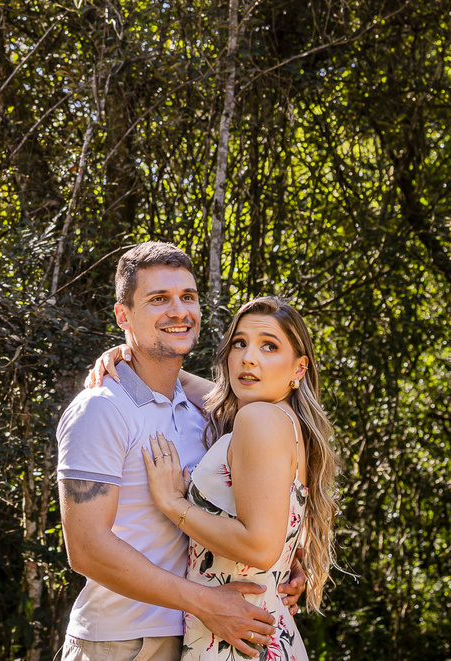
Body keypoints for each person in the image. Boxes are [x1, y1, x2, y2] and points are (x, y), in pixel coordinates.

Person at [56, 242, 299, 661]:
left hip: (203, 637)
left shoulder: (205, 411)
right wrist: (205, 602)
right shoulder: (101, 408)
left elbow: (274, 489)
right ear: (123, 316)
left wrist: (292, 560)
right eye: (158, 299)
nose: (178, 311)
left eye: (187, 296)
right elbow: (86, 548)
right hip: (122, 642)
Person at [141, 296, 338, 660]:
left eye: (269, 346)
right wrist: (136, 357)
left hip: (237, 641)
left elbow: (260, 547)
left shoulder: (258, 420)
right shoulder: (288, 424)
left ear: (299, 368)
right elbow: (213, 395)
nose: (249, 357)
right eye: (239, 343)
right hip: (261, 632)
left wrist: (173, 504)